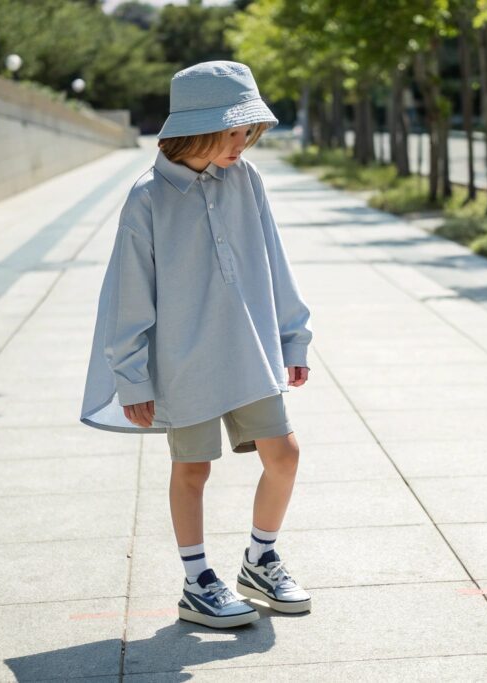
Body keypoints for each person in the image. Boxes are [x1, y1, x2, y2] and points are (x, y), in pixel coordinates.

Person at [79, 61, 314, 629]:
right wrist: (132, 378)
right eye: (232, 132)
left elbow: (274, 262)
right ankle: (197, 582)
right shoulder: (146, 198)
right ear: (196, 128)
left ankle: (260, 559)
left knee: (284, 455)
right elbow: (128, 297)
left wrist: (293, 337)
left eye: (247, 131)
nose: (242, 143)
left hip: (249, 349)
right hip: (182, 362)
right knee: (193, 469)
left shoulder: (246, 180)